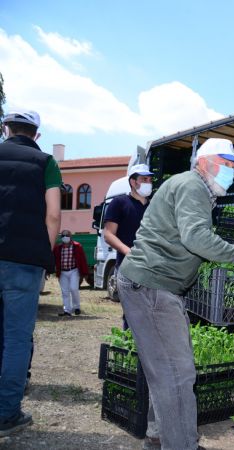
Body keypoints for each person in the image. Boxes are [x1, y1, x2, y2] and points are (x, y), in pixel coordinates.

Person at [117, 138, 234, 450]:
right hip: (152, 286)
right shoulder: (193, 186)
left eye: (233, 167)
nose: (231, 172)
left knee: (165, 370)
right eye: (226, 165)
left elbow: (182, 238)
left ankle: (161, 436)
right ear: (205, 163)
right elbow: (196, 237)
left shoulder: (188, 186)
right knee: (177, 374)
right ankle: (180, 444)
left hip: (153, 284)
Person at [0, 109, 61, 437]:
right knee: (17, 337)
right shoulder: (46, 163)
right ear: (36, 134)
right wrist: (43, 254)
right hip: (24, 262)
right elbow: (53, 215)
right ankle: (6, 414)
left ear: (5, 129)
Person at [103, 164, 153, 304]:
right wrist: (128, 251)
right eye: (144, 179)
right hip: (128, 267)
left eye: (150, 180)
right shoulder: (119, 203)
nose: (148, 183)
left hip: (153, 267)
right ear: (133, 182)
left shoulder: (154, 205)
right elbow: (108, 234)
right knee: (132, 313)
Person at [53, 230, 89, 317]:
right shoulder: (58, 248)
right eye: (63, 236)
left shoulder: (77, 246)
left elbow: (82, 260)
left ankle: (76, 307)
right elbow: (54, 260)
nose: (65, 237)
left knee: (74, 289)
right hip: (62, 272)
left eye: (67, 235)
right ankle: (67, 311)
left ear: (70, 236)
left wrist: (85, 272)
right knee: (65, 292)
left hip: (74, 270)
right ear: (61, 238)